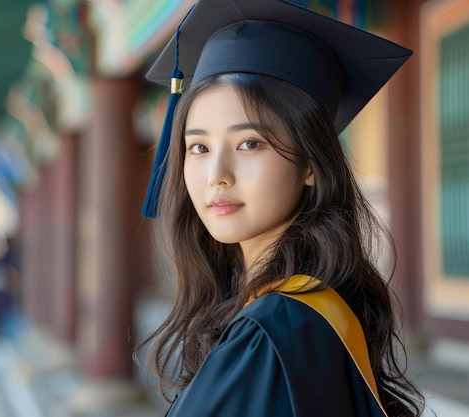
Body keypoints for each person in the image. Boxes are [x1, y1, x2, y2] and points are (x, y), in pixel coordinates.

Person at [137, 0, 425, 416]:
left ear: (310, 163)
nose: (216, 174)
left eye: (249, 143)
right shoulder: (298, 314)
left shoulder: (271, 329)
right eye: (198, 147)